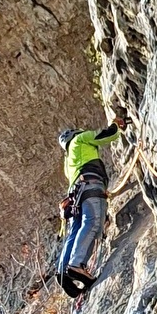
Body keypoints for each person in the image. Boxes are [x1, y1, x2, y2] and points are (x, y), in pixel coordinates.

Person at [56, 116, 126, 296]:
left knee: (76, 229)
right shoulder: (80, 139)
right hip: (90, 185)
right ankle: (76, 265)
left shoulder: (68, 161)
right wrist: (117, 125)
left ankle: (64, 271)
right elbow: (106, 135)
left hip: (76, 193)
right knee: (93, 222)